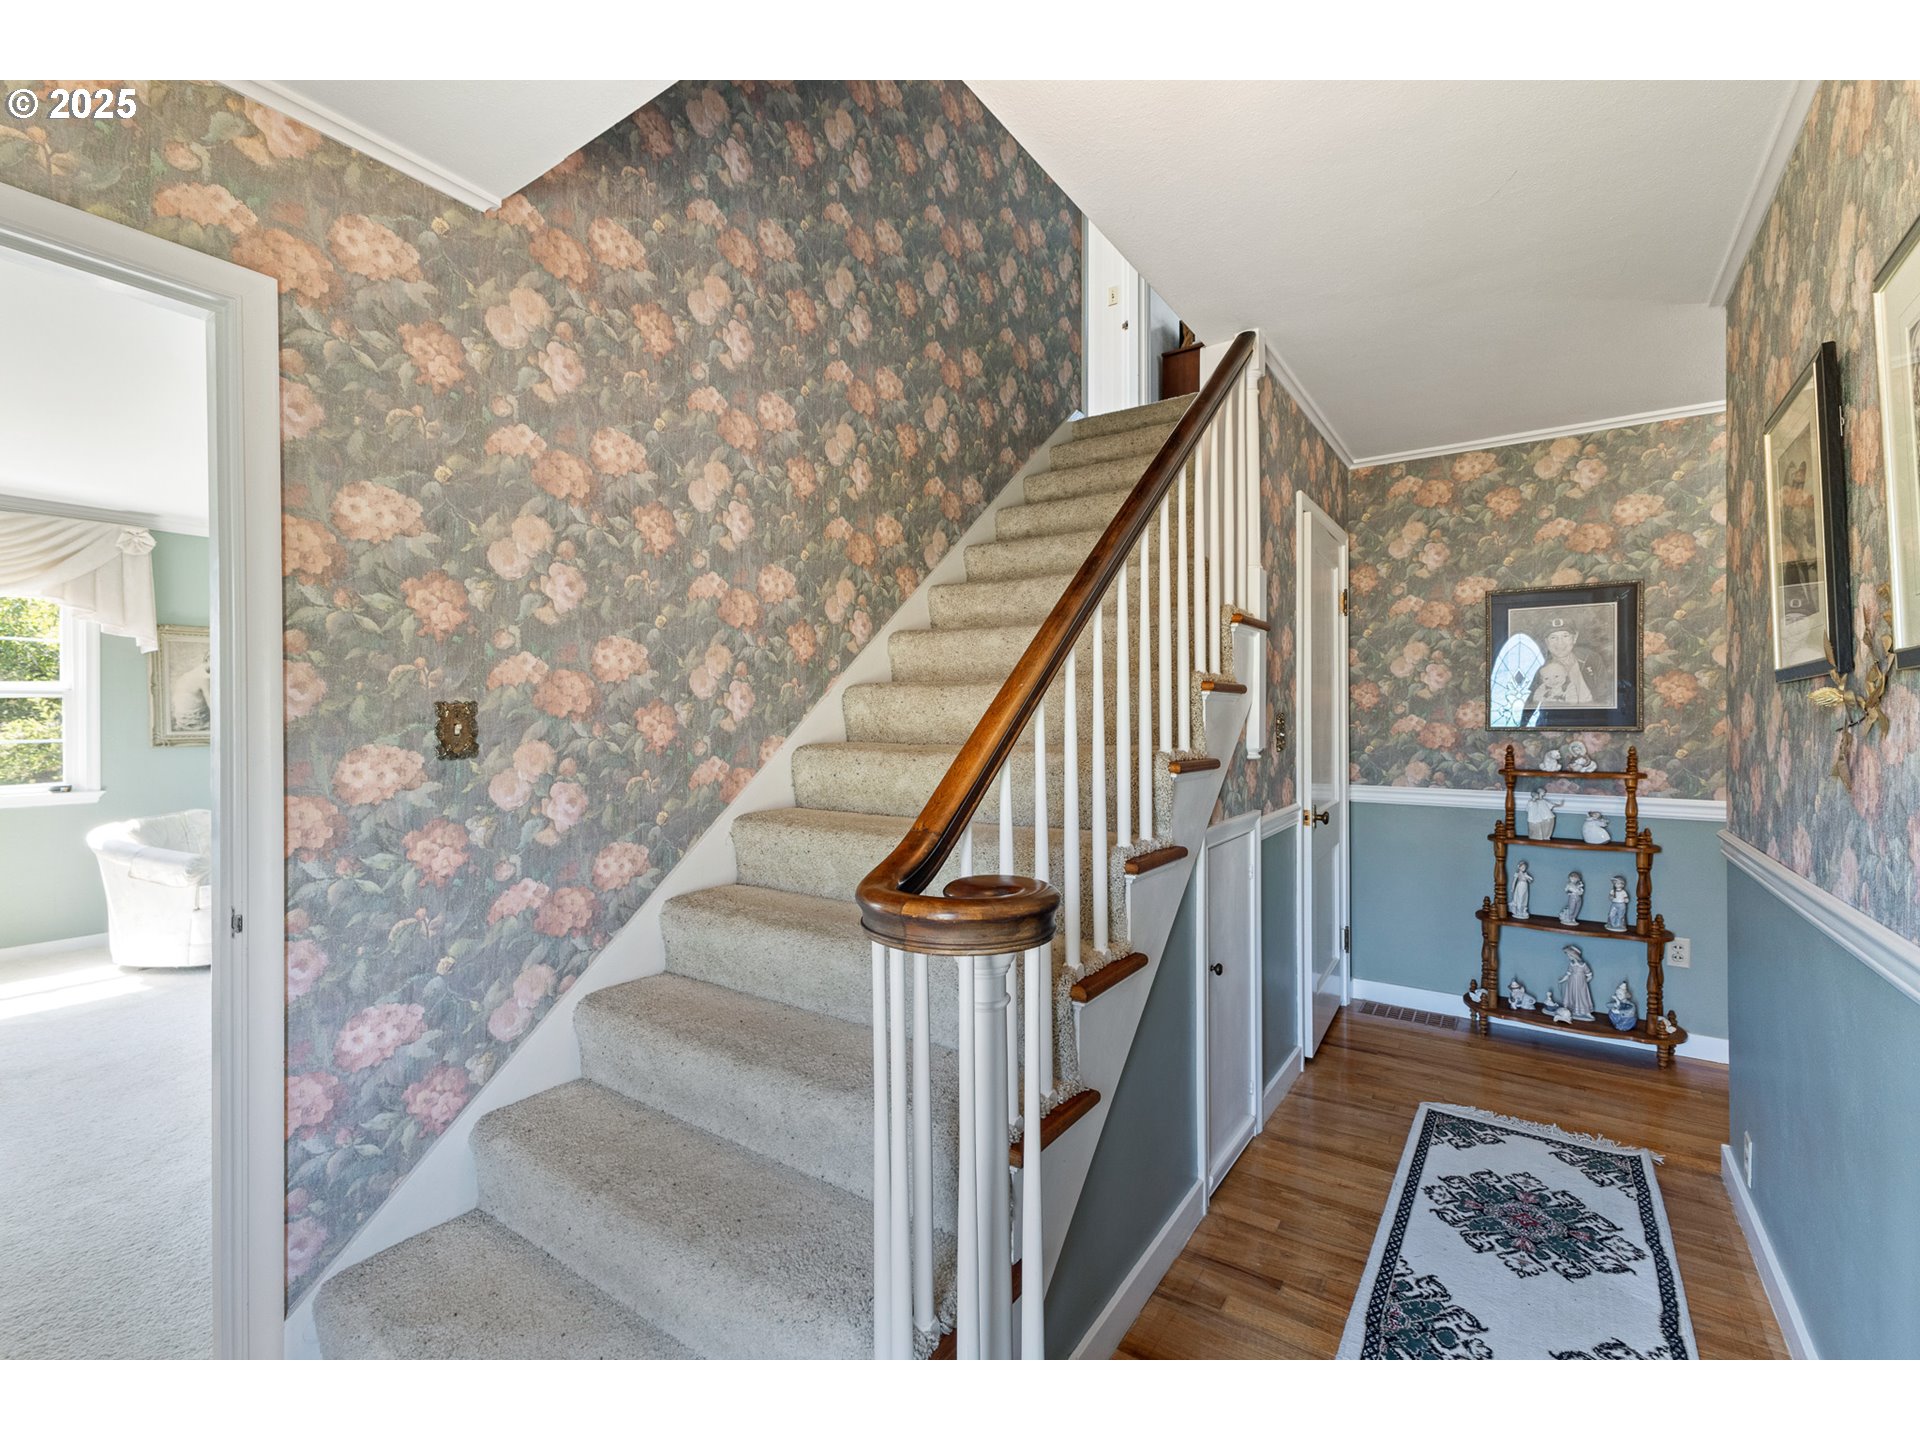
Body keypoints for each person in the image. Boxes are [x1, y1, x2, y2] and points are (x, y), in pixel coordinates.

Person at [1527, 622, 1595, 710]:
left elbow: (1604, 695)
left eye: (1565, 636)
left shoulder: (1591, 659)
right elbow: (1530, 702)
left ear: (1574, 638)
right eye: (1553, 637)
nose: (1560, 643)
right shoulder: (1537, 666)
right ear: (1546, 642)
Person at [1559, 944, 1595, 1021]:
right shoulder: (1571, 964)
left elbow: (1590, 975)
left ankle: (1587, 1012)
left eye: (1570, 955)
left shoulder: (1583, 965)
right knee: (1572, 996)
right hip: (1571, 983)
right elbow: (1568, 974)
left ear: (1574, 955)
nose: (1569, 957)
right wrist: (1562, 980)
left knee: (1583, 997)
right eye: (1568, 955)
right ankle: (1571, 1010)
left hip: (1581, 985)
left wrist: (1584, 983)